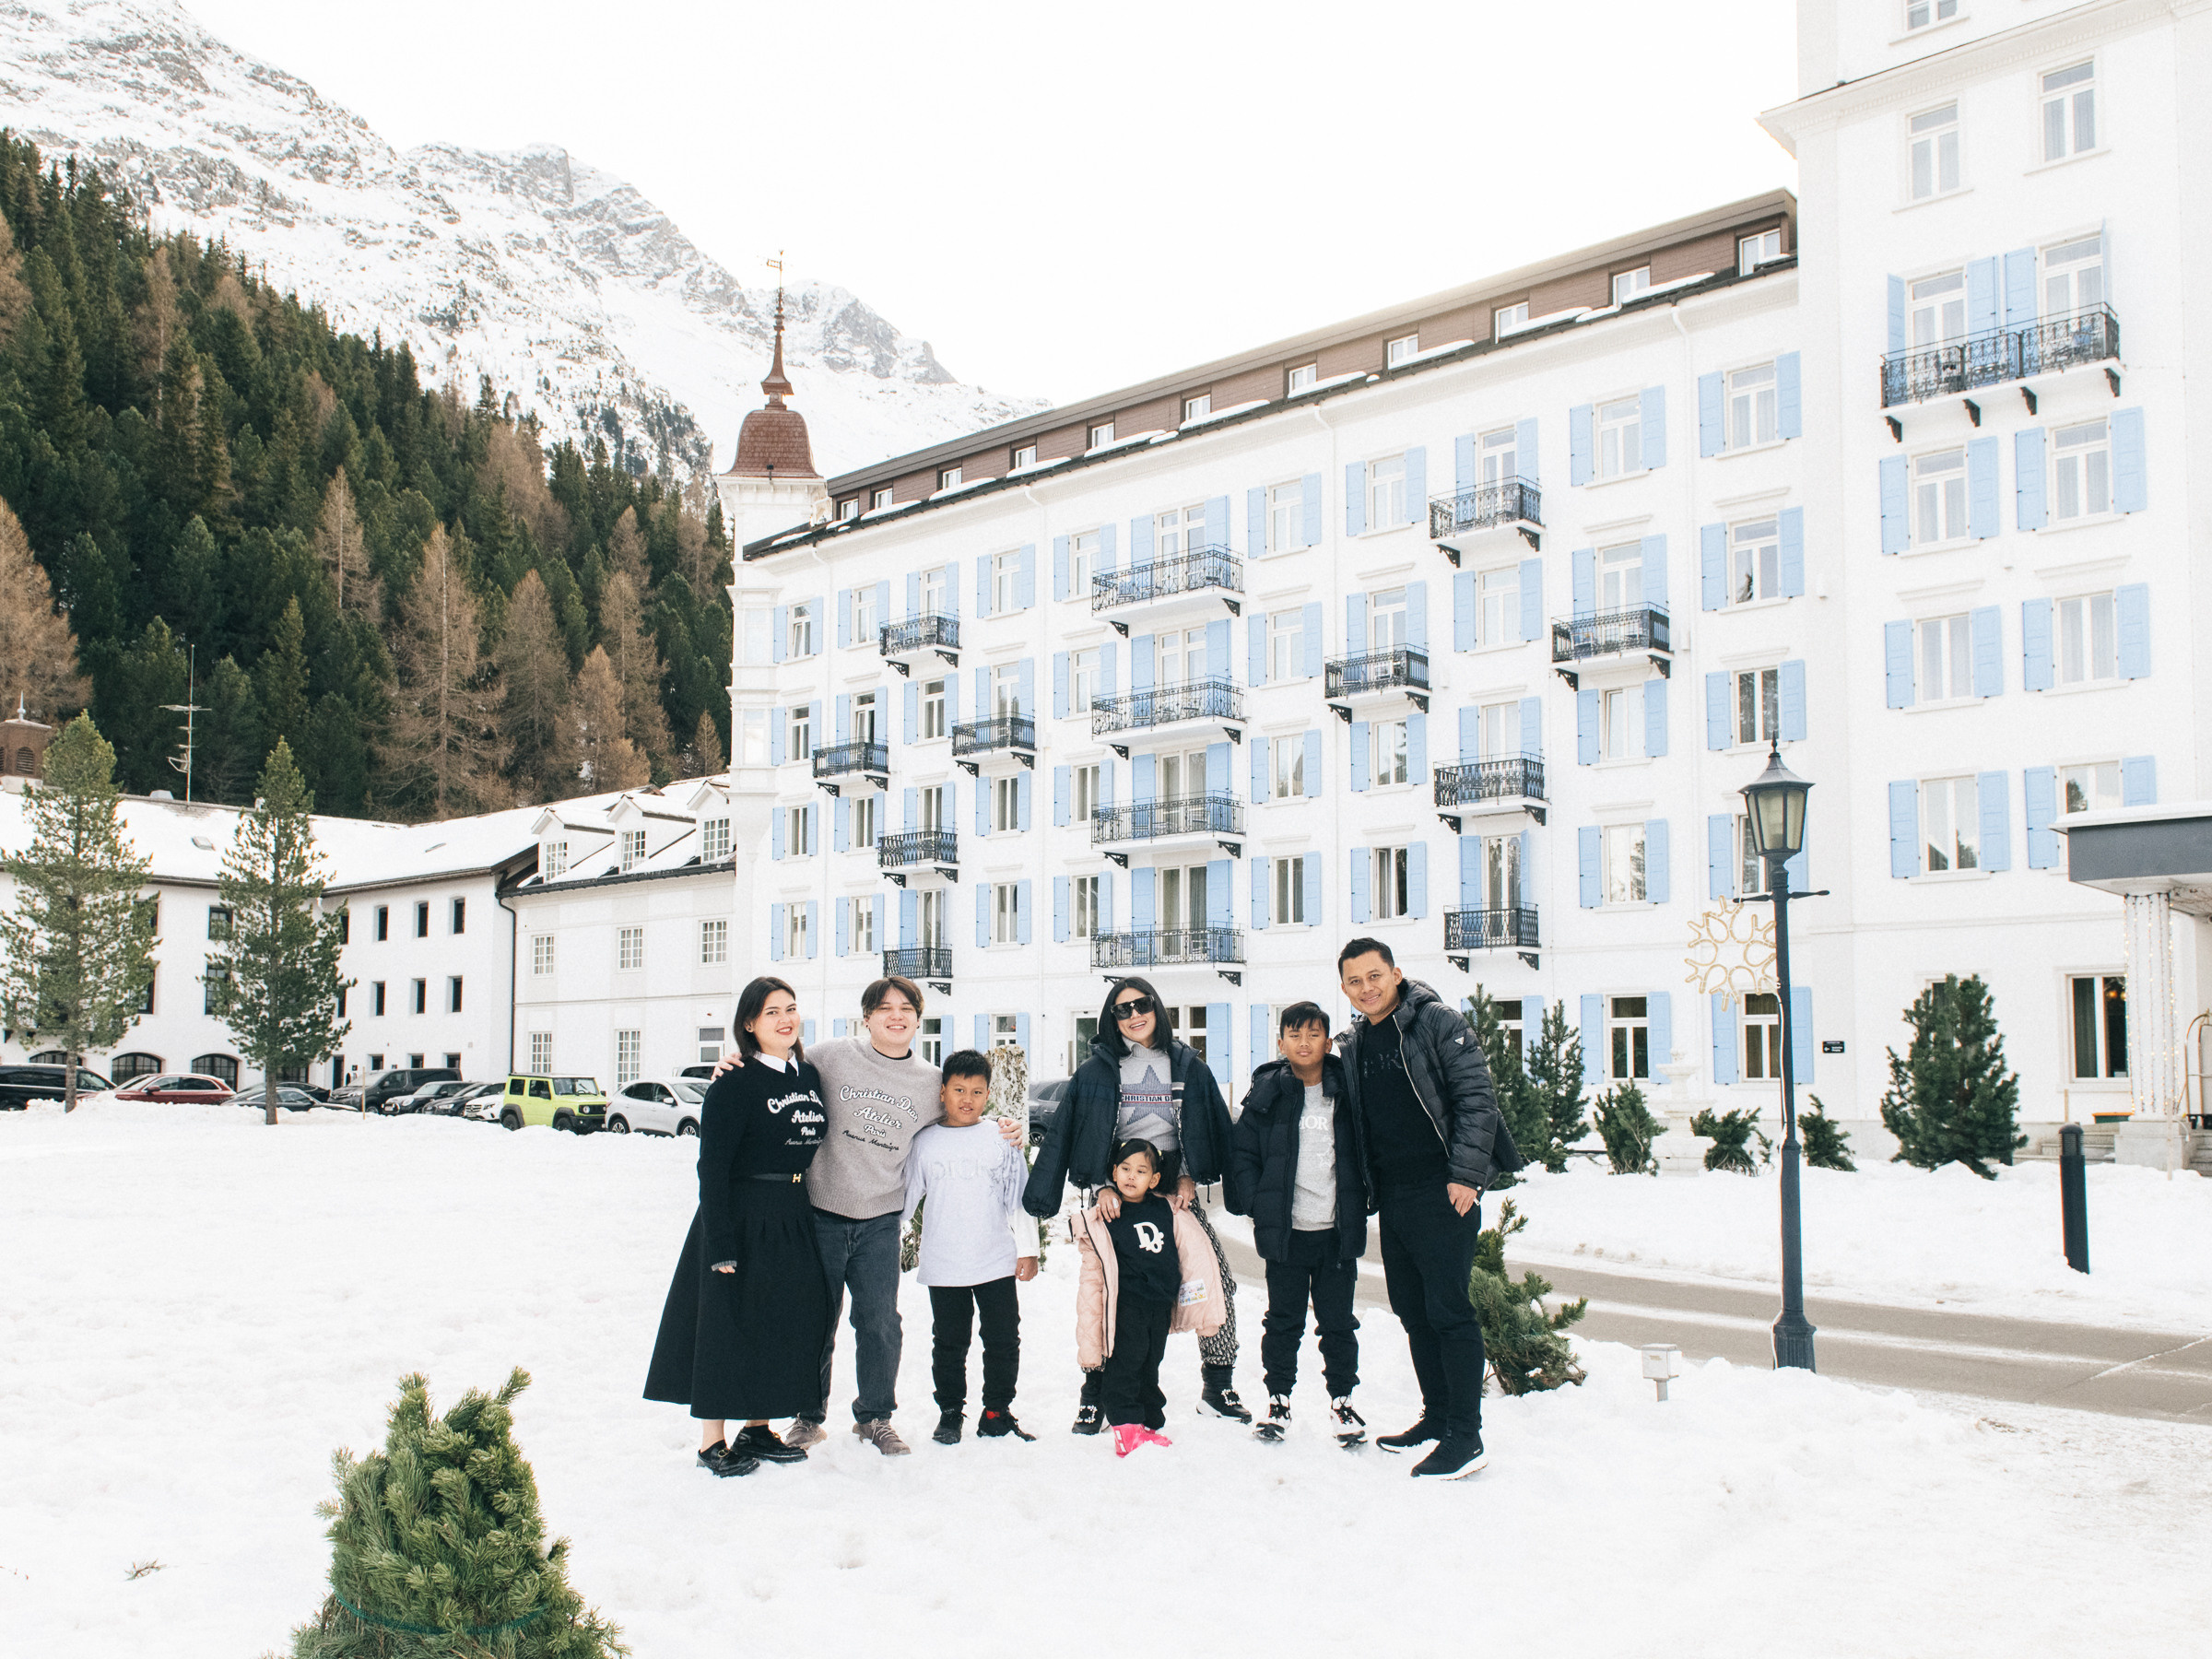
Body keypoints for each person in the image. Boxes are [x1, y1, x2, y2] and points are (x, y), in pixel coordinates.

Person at [759, 975, 1017, 1458]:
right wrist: (733, 1062)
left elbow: (963, 1116)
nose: (895, 1016)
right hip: (820, 1213)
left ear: (918, 1019)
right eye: (884, 1008)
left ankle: (874, 1417)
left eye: (906, 1009)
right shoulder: (830, 1056)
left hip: (879, 1218)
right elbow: (773, 1066)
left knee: (880, 1323)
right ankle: (808, 1417)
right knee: (815, 1320)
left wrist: (1005, 1126)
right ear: (867, 1018)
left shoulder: (930, 1082)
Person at [1334, 938, 1523, 1479]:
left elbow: (1477, 1099)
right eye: (1354, 981)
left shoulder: (1438, 1022)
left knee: (1448, 1311)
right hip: (1395, 1196)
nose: (1367, 988)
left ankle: (1466, 1436)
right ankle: (1437, 1416)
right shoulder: (1355, 1042)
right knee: (1413, 1311)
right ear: (1344, 988)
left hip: (1443, 1191)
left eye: (1374, 976)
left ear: (1396, 973)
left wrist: (1466, 1176)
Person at [1023, 975, 1247, 1430]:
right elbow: (1071, 1131)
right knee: (1104, 1292)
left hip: (1173, 1193)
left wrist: (1190, 1175)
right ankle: (1094, 1393)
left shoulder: (1187, 1066)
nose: (1133, 1016)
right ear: (1111, 1019)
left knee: (1215, 1280)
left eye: (1141, 1005)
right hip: (1117, 1195)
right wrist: (1102, 1184)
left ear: (1156, 1007)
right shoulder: (1096, 1072)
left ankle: (1218, 1384)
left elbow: (1213, 1125)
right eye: (1121, 1010)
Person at [643, 975, 830, 1477]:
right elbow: (712, 1166)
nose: (785, 1019)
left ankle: (757, 1427)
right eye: (772, 1012)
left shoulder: (808, 1076)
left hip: (792, 1213)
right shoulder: (733, 1083)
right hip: (742, 1215)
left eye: (790, 1008)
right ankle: (712, 1442)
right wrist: (720, 1241)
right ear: (749, 1023)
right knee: (728, 1325)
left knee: (775, 1322)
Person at [1225, 1001, 1368, 1448]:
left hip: (1335, 1233)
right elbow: (1242, 1153)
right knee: (1283, 1321)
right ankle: (1278, 1401)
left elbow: (1370, 1147)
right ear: (1281, 1042)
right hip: (1287, 1235)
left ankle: (1342, 1401)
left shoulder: (1348, 1090)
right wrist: (1257, 1203)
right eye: (1295, 1034)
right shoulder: (1268, 1093)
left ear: (1328, 1042)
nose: (1304, 1043)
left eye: (1313, 1034)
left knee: (1338, 1323)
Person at [901, 1049, 1039, 1445]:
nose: (967, 1099)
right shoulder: (925, 1142)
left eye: (977, 1092)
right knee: (949, 1342)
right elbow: (906, 1199)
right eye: (959, 1090)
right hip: (944, 1262)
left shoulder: (1001, 1137)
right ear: (942, 1092)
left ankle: (996, 1411)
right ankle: (950, 1412)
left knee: (1002, 1339)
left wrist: (1028, 1249)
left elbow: (1019, 1198)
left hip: (994, 1259)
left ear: (988, 1095)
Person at [1071, 1140, 1226, 1457]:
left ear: (1154, 1179)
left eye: (1141, 1171)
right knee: (1126, 1364)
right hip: (1128, 1305)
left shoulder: (1164, 1208)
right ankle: (1126, 1428)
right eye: (1125, 1169)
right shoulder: (1110, 1212)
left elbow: (1191, 1249)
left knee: (1150, 1363)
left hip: (1159, 1303)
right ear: (1114, 1172)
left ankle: (1147, 1421)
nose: (1131, 1176)